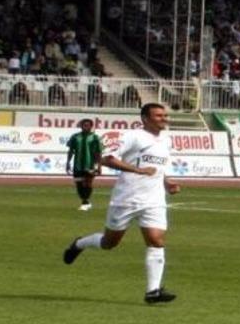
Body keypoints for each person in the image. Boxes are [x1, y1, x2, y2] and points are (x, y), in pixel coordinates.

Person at [63, 103, 181, 304]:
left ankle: (153, 291)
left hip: (154, 199)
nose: (164, 118)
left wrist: (167, 182)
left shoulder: (165, 141)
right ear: (145, 118)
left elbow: (157, 168)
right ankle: (79, 243)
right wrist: (138, 171)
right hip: (127, 197)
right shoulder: (132, 136)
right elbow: (107, 159)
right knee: (109, 243)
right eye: (159, 115)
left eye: (165, 115)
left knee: (156, 240)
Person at [65, 118, 103, 211]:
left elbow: (98, 153)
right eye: (84, 125)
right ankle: (85, 200)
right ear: (81, 126)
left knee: (88, 183)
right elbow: (71, 150)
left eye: (88, 125)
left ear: (91, 126)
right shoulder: (75, 137)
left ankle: (85, 202)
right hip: (78, 164)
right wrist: (68, 162)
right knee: (79, 184)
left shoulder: (95, 137)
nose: (86, 127)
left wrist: (99, 165)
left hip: (90, 164)